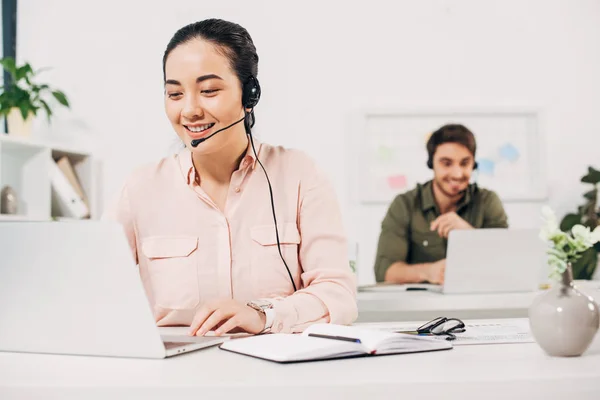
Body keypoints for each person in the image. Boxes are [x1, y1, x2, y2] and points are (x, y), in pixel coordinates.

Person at [104, 19, 357, 336]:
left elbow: (338, 295)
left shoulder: (300, 176)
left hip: (278, 373)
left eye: (208, 91)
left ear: (249, 94)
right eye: (175, 94)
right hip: (175, 375)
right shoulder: (140, 188)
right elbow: (94, 291)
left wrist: (264, 315)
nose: (190, 110)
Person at [373, 124, 508, 285]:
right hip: (420, 307)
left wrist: (469, 235)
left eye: (465, 163)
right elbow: (384, 272)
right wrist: (429, 271)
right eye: (446, 163)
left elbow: (507, 264)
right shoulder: (404, 204)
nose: (457, 174)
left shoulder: (488, 201)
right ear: (432, 164)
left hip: (477, 304)